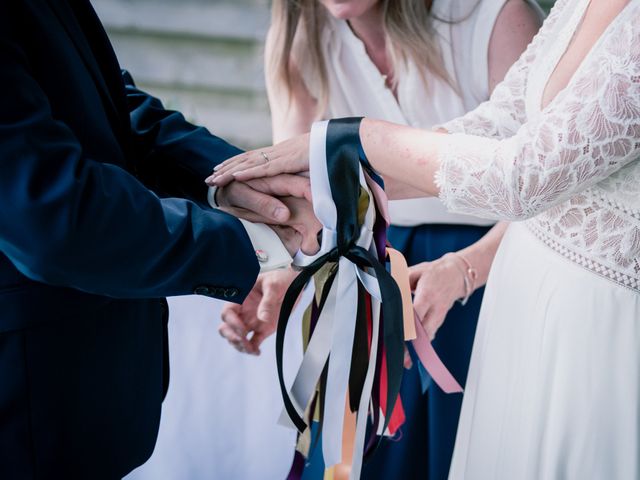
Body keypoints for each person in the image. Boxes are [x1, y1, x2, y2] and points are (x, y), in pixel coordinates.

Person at [210, 0, 640, 477]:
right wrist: (286, 264)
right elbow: (500, 124)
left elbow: (524, 174)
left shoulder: (496, 17)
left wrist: (357, 141)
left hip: (521, 287)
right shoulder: (577, 5)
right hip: (391, 264)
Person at [0, 1, 319, 478]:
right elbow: (53, 215)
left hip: (80, 404)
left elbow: (111, 106)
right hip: (25, 414)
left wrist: (240, 179)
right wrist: (248, 241)